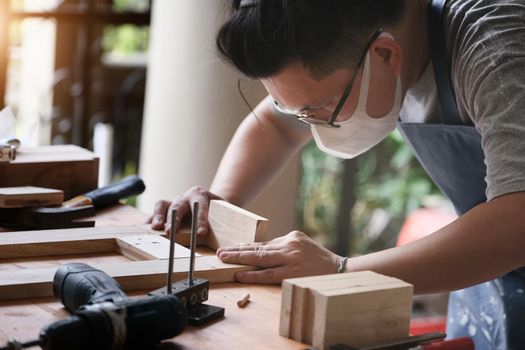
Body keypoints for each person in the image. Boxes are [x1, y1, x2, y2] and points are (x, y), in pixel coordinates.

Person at [150, 0, 525, 348]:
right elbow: (277, 126)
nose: (310, 125)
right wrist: (219, 205)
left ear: (384, 54)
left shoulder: (495, 48)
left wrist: (341, 269)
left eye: (320, 109)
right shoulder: (360, 43)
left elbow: (516, 223)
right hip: (493, 278)